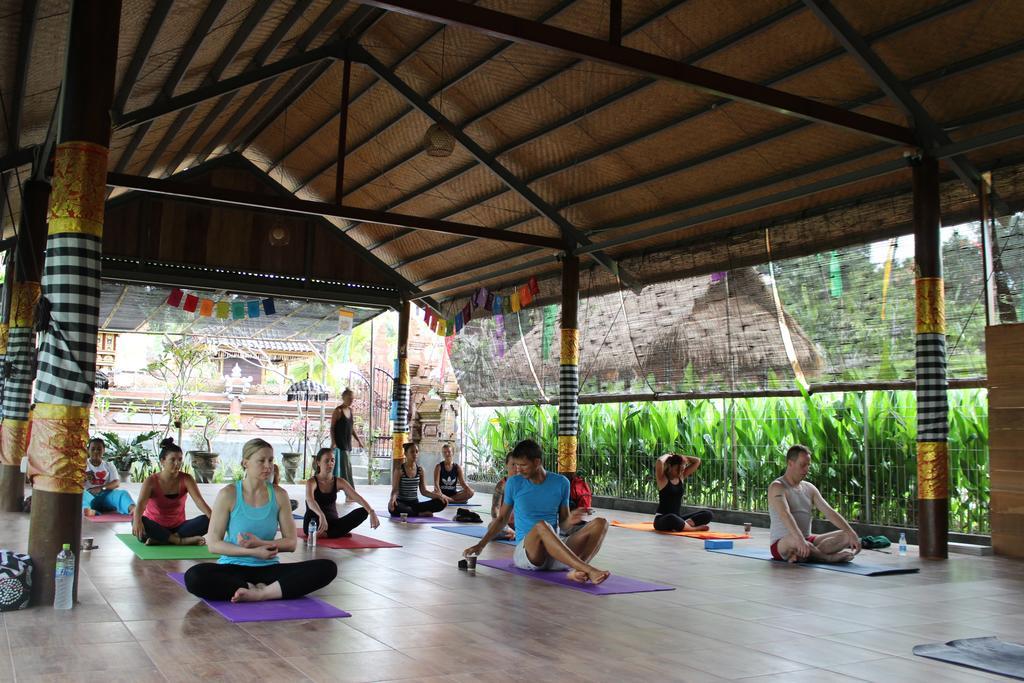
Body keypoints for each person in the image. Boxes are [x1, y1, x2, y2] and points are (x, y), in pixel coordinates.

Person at [183, 438, 337, 602]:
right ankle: (253, 588)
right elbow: (213, 544)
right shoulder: (228, 494)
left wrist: (260, 543)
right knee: (194, 577)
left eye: (270, 460)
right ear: (245, 463)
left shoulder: (279, 495)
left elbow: (291, 543)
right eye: (261, 461)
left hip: (268, 568)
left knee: (327, 568)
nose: (268, 466)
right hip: (232, 568)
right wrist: (253, 551)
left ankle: (261, 593)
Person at [465, 439, 610, 585]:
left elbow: (565, 526)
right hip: (529, 553)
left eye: (523, 465)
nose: (518, 470)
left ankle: (579, 570)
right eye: (516, 465)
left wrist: (571, 520)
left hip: (555, 550)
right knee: (542, 526)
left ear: (537, 462)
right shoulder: (514, 483)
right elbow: (502, 518)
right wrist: (481, 544)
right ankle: (588, 569)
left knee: (601, 523)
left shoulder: (561, 483)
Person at [768, 444, 861, 564]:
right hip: (784, 542)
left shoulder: (809, 488)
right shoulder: (777, 486)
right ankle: (827, 558)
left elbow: (829, 512)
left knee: (847, 535)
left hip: (808, 539)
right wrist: (800, 539)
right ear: (790, 463)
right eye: (802, 465)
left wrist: (851, 532)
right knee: (795, 541)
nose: (806, 469)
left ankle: (804, 554)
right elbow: (784, 514)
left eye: (808, 465)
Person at [132, 438, 212, 545]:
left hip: (179, 528)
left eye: (180, 459)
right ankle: (179, 541)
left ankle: (164, 539)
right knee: (136, 520)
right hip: (156, 527)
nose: (177, 463)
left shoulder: (187, 479)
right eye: (173, 460)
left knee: (208, 519)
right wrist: (137, 521)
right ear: (162, 461)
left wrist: (213, 517)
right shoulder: (151, 481)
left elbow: (199, 501)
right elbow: (141, 505)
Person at [304, 448, 379, 538]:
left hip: (333, 523)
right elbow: (310, 501)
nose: (330, 464)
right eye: (326, 461)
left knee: (363, 511)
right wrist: (321, 515)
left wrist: (371, 511)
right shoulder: (311, 482)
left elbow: (357, 497)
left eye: (332, 460)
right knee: (311, 518)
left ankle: (329, 534)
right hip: (315, 522)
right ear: (318, 462)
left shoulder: (339, 481)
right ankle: (335, 533)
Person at [653, 453, 713, 532]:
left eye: (682, 470)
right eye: (677, 470)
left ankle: (682, 525)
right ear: (670, 466)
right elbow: (659, 461)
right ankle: (692, 529)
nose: (679, 473)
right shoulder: (662, 479)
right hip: (662, 519)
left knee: (708, 514)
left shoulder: (681, 477)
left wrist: (681, 457)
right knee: (672, 517)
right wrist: (668, 455)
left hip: (678, 518)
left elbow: (697, 461)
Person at [388, 442, 449, 517]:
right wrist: (392, 500)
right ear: (405, 454)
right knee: (393, 508)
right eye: (412, 452)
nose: (415, 454)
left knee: (441, 502)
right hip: (401, 503)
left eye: (417, 451)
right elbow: (395, 490)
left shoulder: (420, 470)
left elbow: (424, 491)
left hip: (415, 504)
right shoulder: (399, 470)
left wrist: (439, 496)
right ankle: (418, 514)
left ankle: (413, 512)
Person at [82, 438, 136, 517]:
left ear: (104, 450)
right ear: (88, 450)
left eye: (99, 449)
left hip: (106, 495)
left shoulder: (109, 465)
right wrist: (84, 478)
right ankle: (87, 510)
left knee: (122, 493)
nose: (96, 451)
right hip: (89, 495)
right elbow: (76, 483)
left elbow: (116, 483)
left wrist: (101, 488)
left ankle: (133, 509)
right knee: (81, 495)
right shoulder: (82, 465)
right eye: (93, 449)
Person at [330, 388, 363, 499]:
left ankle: (349, 493)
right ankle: (349, 494)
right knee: (343, 471)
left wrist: (358, 440)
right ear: (344, 398)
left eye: (352, 398)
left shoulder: (350, 411)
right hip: (339, 446)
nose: (351, 400)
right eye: (349, 398)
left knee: (346, 470)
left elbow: (351, 428)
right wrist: (333, 442)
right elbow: (332, 428)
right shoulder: (338, 411)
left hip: (347, 445)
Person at [490, 452, 517, 540]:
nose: (516, 468)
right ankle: (513, 534)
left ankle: (517, 534)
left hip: (521, 524)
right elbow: (495, 510)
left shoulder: (526, 484)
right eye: (513, 464)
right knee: (492, 527)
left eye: (518, 464)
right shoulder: (501, 485)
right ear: (506, 466)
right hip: (504, 524)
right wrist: (507, 528)